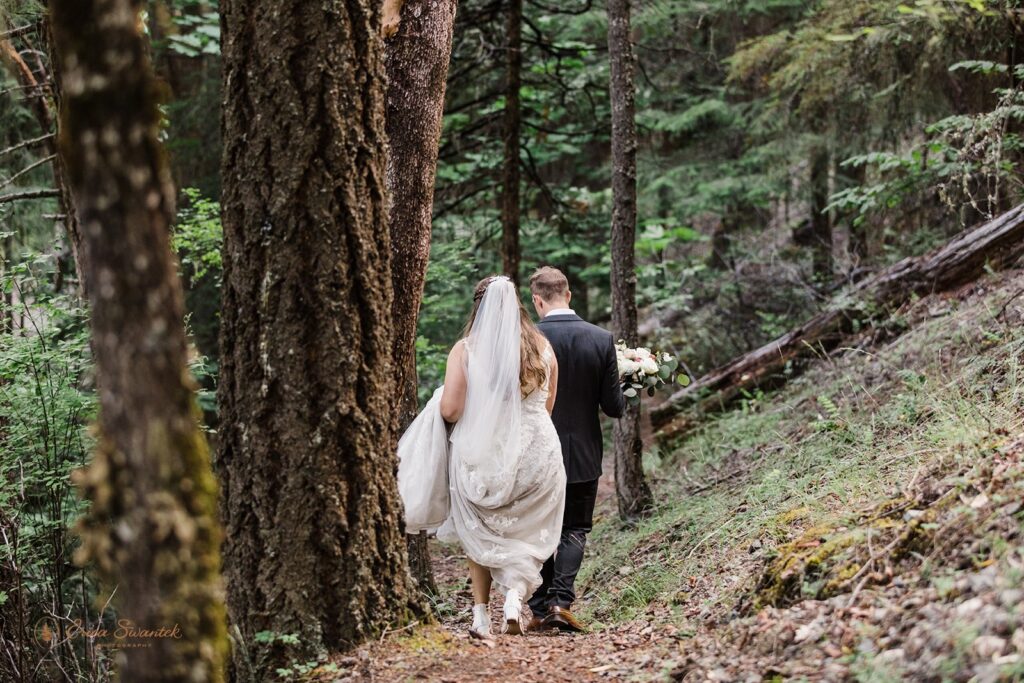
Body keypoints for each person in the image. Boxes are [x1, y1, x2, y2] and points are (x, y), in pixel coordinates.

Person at [436, 275, 566, 638]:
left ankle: (480, 616)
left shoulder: (466, 350)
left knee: (479, 531)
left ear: (479, 308)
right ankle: (513, 598)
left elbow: (450, 409)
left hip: (484, 454)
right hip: (538, 451)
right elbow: (547, 406)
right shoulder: (543, 348)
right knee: (526, 532)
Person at [527, 266, 625, 632]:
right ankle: (560, 602)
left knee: (536, 528)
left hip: (535, 452)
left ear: (538, 300)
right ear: (567, 295)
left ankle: (538, 605)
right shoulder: (601, 338)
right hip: (583, 451)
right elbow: (613, 407)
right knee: (574, 529)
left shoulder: (529, 339)